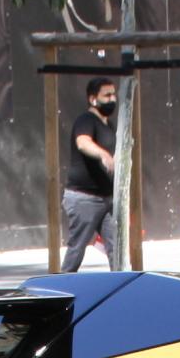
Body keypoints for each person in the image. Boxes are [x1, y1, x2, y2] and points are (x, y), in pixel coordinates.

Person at [62, 76, 118, 271]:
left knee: (117, 247)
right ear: (93, 99)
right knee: (77, 249)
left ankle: (121, 288)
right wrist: (103, 155)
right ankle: (60, 288)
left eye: (113, 94)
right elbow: (83, 143)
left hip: (106, 199)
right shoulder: (86, 120)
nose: (112, 99)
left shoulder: (109, 126)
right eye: (107, 95)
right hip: (84, 197)